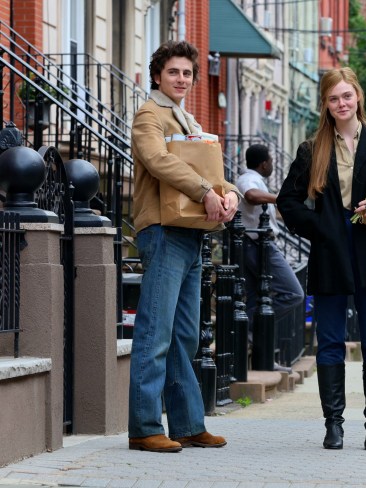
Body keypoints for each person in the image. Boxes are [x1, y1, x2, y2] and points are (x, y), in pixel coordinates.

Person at [276, 67, 366, 451]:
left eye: (346, 96)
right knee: (331, 341)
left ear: (358, 98)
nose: (341, 103)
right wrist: (321, 227)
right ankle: (333, 425)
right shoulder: (312, 149)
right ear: (326, 104)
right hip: (331, 253)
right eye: (333, 98)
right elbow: (287, 201)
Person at [128, 40, 240, 453]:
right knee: (155, 331)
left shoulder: (187, 117)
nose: (182, 79)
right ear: (158, 75)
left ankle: (189, 424)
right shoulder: (148, 115)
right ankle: (143, 427)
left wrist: (230, 195)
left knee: (186, 335)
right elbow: (159, 161)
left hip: (192, 232)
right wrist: (206, 189)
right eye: (174, 72)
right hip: (162, 229)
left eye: (187, 73)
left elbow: (212, 171)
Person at [236, 144, 305, 370]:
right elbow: (251, 195)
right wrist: (280, 198)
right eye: (271, 161)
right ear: (264, 163)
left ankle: (263, 359)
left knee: (257, 299)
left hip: (256, 244)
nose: (273, 165)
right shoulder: (249, 178)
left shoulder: (256, 179)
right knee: (294, 293)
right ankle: (250, 325)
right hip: (258, 245)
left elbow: (270, 212)